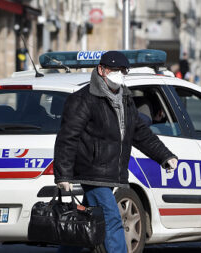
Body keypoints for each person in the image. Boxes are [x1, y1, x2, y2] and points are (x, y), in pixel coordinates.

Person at [54, 51, 178, 253]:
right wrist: (63, 174)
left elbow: (140, 133)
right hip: (91, 172)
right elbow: (67, 138)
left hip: (111, 172)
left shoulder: (126, 99)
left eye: (123, 71)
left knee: (82, 222)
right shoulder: (84, 99)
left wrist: (164, 156)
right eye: (115, 70)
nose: (119, 75)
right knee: (111, 218)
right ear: (101, 70)